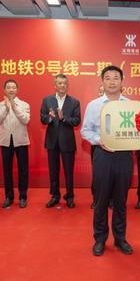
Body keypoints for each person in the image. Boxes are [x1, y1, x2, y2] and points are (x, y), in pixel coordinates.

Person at [81, 65, 134, 256]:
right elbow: (85, 130)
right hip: (102, 155)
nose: (112, 82)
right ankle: (100, 239)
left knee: (121, 200)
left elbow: (138, 129)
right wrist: (99, 140)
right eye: (108, 78)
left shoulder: (131, 105)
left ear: (122, 81)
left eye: (116, 78)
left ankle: (120, 239)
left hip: (124, 155)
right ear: (102, 82)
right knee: (101, 199)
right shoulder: (94, 105)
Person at [40, 74, 81, 208]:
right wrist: (50, 118)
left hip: (67, 141)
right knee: (53, 170)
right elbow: (42, 118)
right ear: (55, 85)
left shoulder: (74, 102)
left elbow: (77, 121)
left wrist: (64, 118)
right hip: (52, 141)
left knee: (69, 171)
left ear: (67, 85)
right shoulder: (47, 100)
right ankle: (55, 195)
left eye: (64, 83)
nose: (62, 85)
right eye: (60, 83)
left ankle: (70, 196)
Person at [0, 79, 30, 209]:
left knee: (23, 170)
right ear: (4, 90)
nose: (11, 89)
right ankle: (9, 197)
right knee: (7, 170)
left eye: (13, 87)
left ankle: (23, 197)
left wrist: (14, 107)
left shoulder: (24, 104)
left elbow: (26, 120)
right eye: (8, 87)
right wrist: (6, 108)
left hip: (21, 141)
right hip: (5, 141)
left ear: (17, 90)